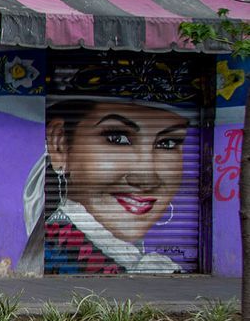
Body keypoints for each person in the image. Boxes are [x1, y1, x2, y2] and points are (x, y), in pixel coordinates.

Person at [36, 98, 190, 273]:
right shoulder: (57, 253)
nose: (147, 178)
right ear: (60, 145)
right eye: (117, 138)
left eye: (167, 143)